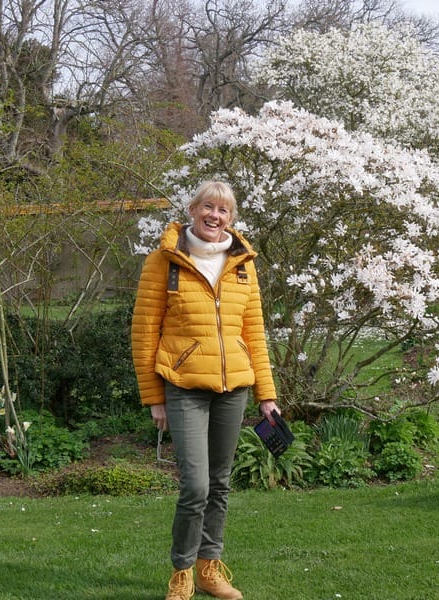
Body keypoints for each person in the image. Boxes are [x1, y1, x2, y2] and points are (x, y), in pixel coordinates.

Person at [131, 180, 280, 600]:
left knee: (220, 483)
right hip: (183, 386)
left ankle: (209, 568)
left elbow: (255, 333)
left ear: (231, 219)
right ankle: (181, 571)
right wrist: (154, 397)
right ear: (193, 210)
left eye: (224, 211)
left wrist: (266, 394)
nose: (215, 216)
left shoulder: (244, 264)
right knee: (195, 486)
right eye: (208, 207)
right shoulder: (165, 261)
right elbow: (144, 332)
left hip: (235, 387)